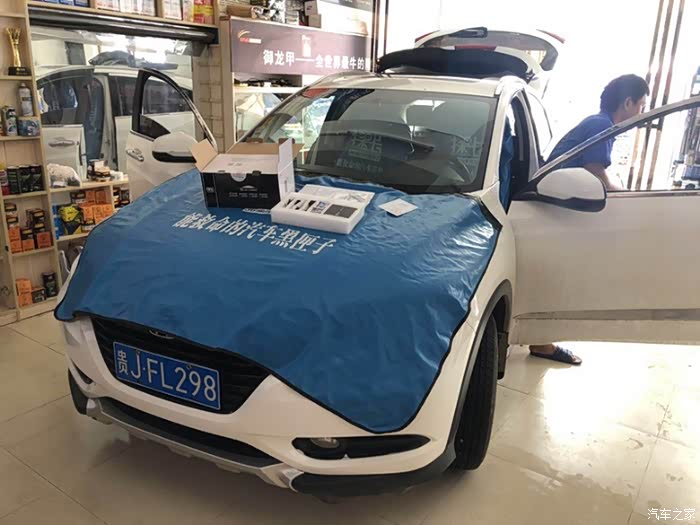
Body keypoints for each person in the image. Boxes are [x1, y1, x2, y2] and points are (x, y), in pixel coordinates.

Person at [529, 74, 650, 365]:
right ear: (628, 102)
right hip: (551, 209)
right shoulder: (601, 125)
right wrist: (631, 198)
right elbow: (597, 172)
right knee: (555, 275)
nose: (642, 112)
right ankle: (541, 341)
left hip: (554, 205)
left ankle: (540, 338)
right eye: (642, 105)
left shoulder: (599, 123)